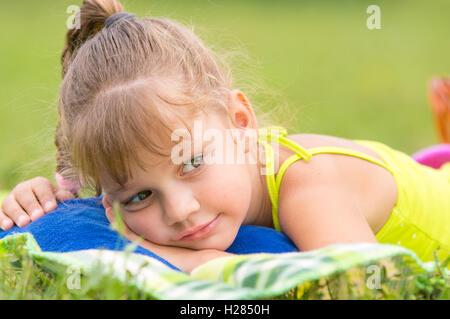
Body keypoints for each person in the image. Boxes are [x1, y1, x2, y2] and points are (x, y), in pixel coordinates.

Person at [0, 0, 449, 273]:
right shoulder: (128, 186)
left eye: (192, 163)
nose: (180, 211)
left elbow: (364, 287)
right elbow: (70, 210)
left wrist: (195, 263)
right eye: (139, 196)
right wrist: (38, 198)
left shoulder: (308, 188)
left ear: (240, 122)